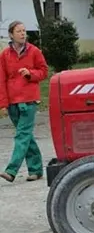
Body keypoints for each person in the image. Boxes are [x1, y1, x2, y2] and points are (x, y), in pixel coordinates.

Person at [0, 20, 49, 183]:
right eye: (19, 31)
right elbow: (1, 80)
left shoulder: (34, 51)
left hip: (29, 100)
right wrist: (3, 103)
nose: (23, 34)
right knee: (27, 136)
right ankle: (36, 170)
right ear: (11, 34)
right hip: (13, 101)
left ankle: (11, 170)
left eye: (24, 31)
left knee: (22, 135)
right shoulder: (5, 55)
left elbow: (44, 72)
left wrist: (30, 73)